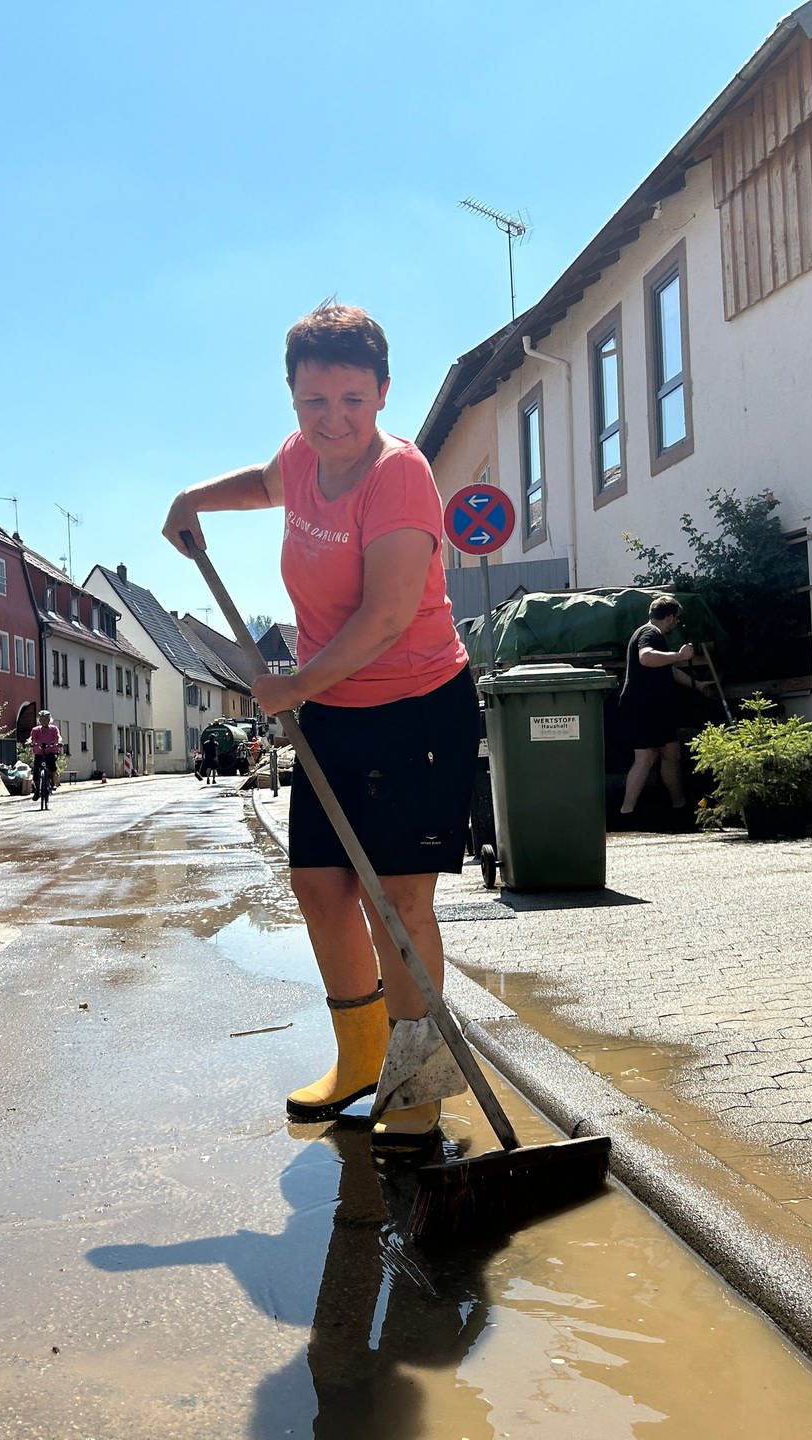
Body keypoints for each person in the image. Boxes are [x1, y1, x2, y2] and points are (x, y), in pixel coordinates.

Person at [163, 302, 477, 1155]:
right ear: (294, 400)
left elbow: (385, 617)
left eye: (350, 400)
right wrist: (192, 499)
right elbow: (263, 485)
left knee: (401, 906)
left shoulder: (399, 476)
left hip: (417, 708)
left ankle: (415, 1091)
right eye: (313, 403)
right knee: (320, 888)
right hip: (333, 713)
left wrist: (293, 682)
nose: (332, 421)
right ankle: (362, 1059)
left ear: (380, 392)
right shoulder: (302, 460)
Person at [616, 595, 711, 825]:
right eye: (676, 619)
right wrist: (679, 655)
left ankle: (679, 806)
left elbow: (665, 669)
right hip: (644, 706)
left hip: (653, 706)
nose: (676, 624)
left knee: (671, 752)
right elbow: (646, 658)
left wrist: (696, 685)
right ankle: (626, 813)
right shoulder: (650, 634)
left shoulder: (652, 635)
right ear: (669, 618)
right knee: (646, 757)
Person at [29, 709, 62, 799]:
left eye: (46, 719)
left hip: (51, 751)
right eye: (42, 719)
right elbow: (31, 738)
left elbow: (58, 737)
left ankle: (53, 782)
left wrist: (59, 742)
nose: (44, 721)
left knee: (52, 766)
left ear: (49, 720)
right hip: (39, 753)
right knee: (36, 771)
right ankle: (36, 791)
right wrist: (29, 742)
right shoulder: (35, 730)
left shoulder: (54, 729)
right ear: (39, 720)